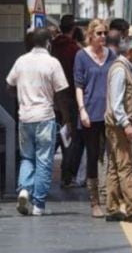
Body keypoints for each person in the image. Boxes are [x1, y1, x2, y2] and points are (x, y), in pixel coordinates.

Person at [7, 28, 69, 216]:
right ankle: (39, 205)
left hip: (25, 118)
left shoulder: (21, 61)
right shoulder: (52, 63)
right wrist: (66, 116)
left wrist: (22, 96)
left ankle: (25, 189)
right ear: (48, 43)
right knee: (43, 160)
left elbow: (9, 86)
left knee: (27, 157)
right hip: (45, 117)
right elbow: (61, 92)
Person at [73, 19, 116, 218]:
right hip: (90, 112)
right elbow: (79, 85)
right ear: (90, 35)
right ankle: (94, 202)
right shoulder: (81, 56)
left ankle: (110, 197)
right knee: (92, 156)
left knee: (110, 156)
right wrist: (82, 110)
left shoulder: (111, 55)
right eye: (99, 33)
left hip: (109, 113)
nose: (103, 37)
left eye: (104, 33)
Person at [104, 36, 132, 222]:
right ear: (129, 52)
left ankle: (113, 207)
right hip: (119, 127)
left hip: (116, 126)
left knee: (115, 167)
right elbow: (116, 103)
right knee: (127, 166)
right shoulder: (120, 71)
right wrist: (126, 124)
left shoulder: (122, 68)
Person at [51, 16, 82, 187]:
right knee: (70, 137)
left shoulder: (53, 47)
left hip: (54, 98)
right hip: (70, 97)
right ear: (74, 28)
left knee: (57, 135)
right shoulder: (74, 50)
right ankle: (67, 174)